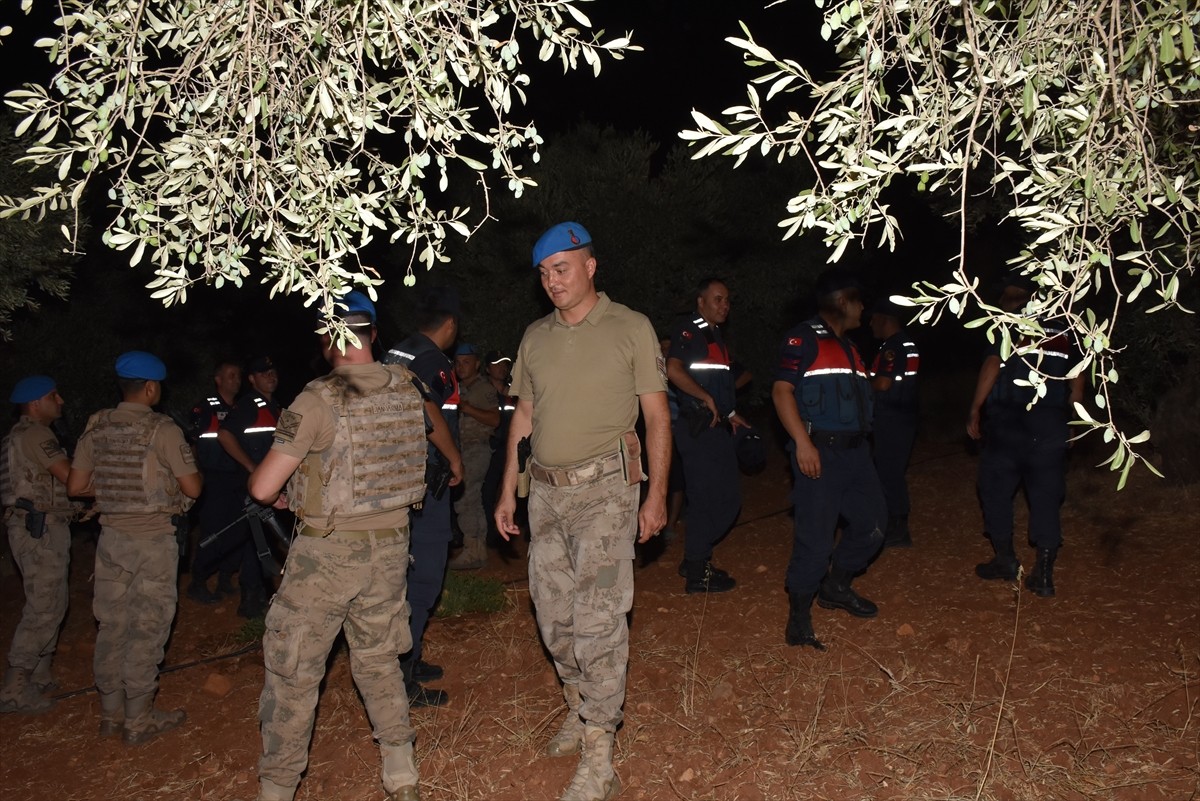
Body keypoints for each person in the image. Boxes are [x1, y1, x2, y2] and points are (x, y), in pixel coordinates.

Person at [247, 291, 461, 801]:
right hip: (390, 549)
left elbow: (260, 488)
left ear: (329, 338)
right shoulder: (409, 388)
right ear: (372, 335)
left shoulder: (318, 398)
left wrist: (284, 489)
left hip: (327, 556)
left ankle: (277, 790)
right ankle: (401, 774)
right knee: (379, 659)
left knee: (294, 672)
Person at [495, 221, 670, 801]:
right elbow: (523, 418)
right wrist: (506, 492)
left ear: (590, 266)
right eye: (544, 273)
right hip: (544, 494)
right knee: (554, 619)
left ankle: (600, 749)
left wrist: (657, 493)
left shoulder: (631, 328)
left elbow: (657, 417)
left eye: (562, 268)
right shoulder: (535, 337)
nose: (552, 281)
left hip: (605, 492)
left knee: (598, 619)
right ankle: (579, 703)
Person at [67, 351, 203, 743]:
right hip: (153, 541)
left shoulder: (97, 426)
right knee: (147, 626)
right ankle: (139, 718)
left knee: (112, 625)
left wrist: (112, 493)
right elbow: (192, 488)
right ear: (150, 387)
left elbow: (75, 487)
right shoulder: (162, 430)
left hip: (110, 541)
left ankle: (110, 715)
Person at [771, 269, 886, 651]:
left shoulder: (852, 348)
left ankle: (836, 587)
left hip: (856, 455)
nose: (864, 308)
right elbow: (782, 391)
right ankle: (799, 619)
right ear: (842, 301)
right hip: (820, 453)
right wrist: (803, 444)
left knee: (873, 527)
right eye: (859, 300)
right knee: (816, 542)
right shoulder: (803, 337)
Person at [967, 274, 1084, 597]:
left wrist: (975, 408)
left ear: (1009, 298)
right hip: (1050, 423)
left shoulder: (1009, 324)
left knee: (993, 488)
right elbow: (1078, 376)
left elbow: (993, 364)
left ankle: (1005, 559)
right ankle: (1044, 573)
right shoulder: (1063, 327)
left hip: (1010, 421)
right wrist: (1076, 418)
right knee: (1046, 495)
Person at [383, 288, 462, 706]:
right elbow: (429, 411)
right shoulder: (434, 360)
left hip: (391, 481)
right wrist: (454, 459)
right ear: (448, 327)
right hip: (424, 482)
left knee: (399, 574)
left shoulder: (396, 352)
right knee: (425, 575)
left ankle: (407, 655)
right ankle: (402, 678)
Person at [666, 278, 748, 593]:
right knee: (706, 499)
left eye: (727, 300)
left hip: (715, 426)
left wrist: (728, 413)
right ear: (700, 302)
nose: (724, 305)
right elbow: (673, 370)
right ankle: (698, 572)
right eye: (717, 299)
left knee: (727, 498)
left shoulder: (715, 337)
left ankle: (694, 558)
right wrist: (705, 398)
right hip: (696, 427)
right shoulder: (690, 330)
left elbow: (717, 386)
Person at [0, 376, 74, 714]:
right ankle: (16, 685)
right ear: (34, 403)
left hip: (34, 526)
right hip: (38, 529)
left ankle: (39, 675)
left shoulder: (19, 435)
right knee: (44, 605)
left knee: (52, 600)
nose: (59, 401)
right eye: (52, 396)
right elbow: (69, 477)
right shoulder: (35, 434)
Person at [214, 355, 283, 617]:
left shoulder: (274, 406)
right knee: (257, 541)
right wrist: (252, 468)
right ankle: (250, 600)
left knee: (262, 541)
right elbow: (224, 434)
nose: (271, 376)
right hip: (253, 487)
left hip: (271, 486)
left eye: (273, 371)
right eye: (263, 373)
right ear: (252, 379)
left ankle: (259, 596)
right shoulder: (249, 405)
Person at [186, 359, 244, 604]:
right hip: (214, 478)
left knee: (237, 530)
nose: (236, 380)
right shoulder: (206, 408)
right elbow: (193, 444)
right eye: (231, 375)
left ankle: (225, 578)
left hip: (239, 477)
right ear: (218, 379)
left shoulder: (243, 407)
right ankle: (197, 581)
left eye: (239, 375)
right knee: (212, 531)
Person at [869, 298, 921, 548]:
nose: (870, 324)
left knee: (889, 472)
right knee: (891, 471)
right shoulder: (907, 343)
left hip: (893, 417)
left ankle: (897, 529)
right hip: (903, 415)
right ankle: (894, 524)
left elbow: (882, 383)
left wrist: (859, 385)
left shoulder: (893, 347)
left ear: (884, 319)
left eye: (873, 319)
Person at [449, 343, 499, 570]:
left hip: (477, 448)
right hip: (461, 449)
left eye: (466, 362)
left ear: (477, 364)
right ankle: (477, 550)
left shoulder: (483, 388)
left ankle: (472, 550)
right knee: (473, 500)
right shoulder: (456, 387)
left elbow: (495, 420)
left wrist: (467, 408)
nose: (461, 367)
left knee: (466, 498)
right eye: (458, 363)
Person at [481, 350, 517, 554]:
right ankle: (490, 534)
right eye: (496, 364)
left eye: (504, 363)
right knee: (487, 492)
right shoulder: (483, 392)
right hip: (490, 448)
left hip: (509, 449)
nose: (502, 368)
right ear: (487, 368)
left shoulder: (515, 391)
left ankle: (508, 533)